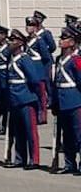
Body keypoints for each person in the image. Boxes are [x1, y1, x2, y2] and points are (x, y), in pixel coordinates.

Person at [5, 29, 43, 169]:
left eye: (13, 40)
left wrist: (36, 98)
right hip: (14, 99)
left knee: (30, 131)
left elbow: (34, 79)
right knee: (18, 131)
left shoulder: (25, 59)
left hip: (26, 98)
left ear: (20, 43)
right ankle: (20, 159)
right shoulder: (11, 58)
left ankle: (34, 160)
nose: (10, 42)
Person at [51, 24, 81, 174]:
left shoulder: (76, 60)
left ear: (72, 41)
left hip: (75, 101)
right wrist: (54, 102)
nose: (61, 40)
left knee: (79, 134)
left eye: (64, 38)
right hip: (62, 103)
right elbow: (55, 82)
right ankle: (69, 164)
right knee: (67, 136)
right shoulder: (58, 59)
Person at [25, 16, 53, 125]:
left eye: (31, 25)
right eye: (28, 25)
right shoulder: (26, 40)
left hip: (38, 71)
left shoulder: (39, 41)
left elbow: (46, 56)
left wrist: (43, 71)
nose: (29, 27)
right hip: (29, 71)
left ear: (36, 27)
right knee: (33, 95)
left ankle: (42, 116)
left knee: (41, 96)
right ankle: (34, 115)